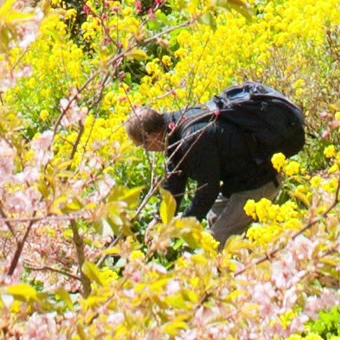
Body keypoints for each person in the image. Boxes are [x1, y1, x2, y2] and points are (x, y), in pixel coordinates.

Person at [124, 80, 307, 239]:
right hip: (237, 179)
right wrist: (160, 219)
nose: (147, 150)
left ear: (151, 137)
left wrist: (182, 225)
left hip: (259, 179)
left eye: (143, 145)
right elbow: (176, 178)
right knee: (213, 221)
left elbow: (207, 190)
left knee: (217, 239)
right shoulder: (172, 127)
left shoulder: (192, 137)